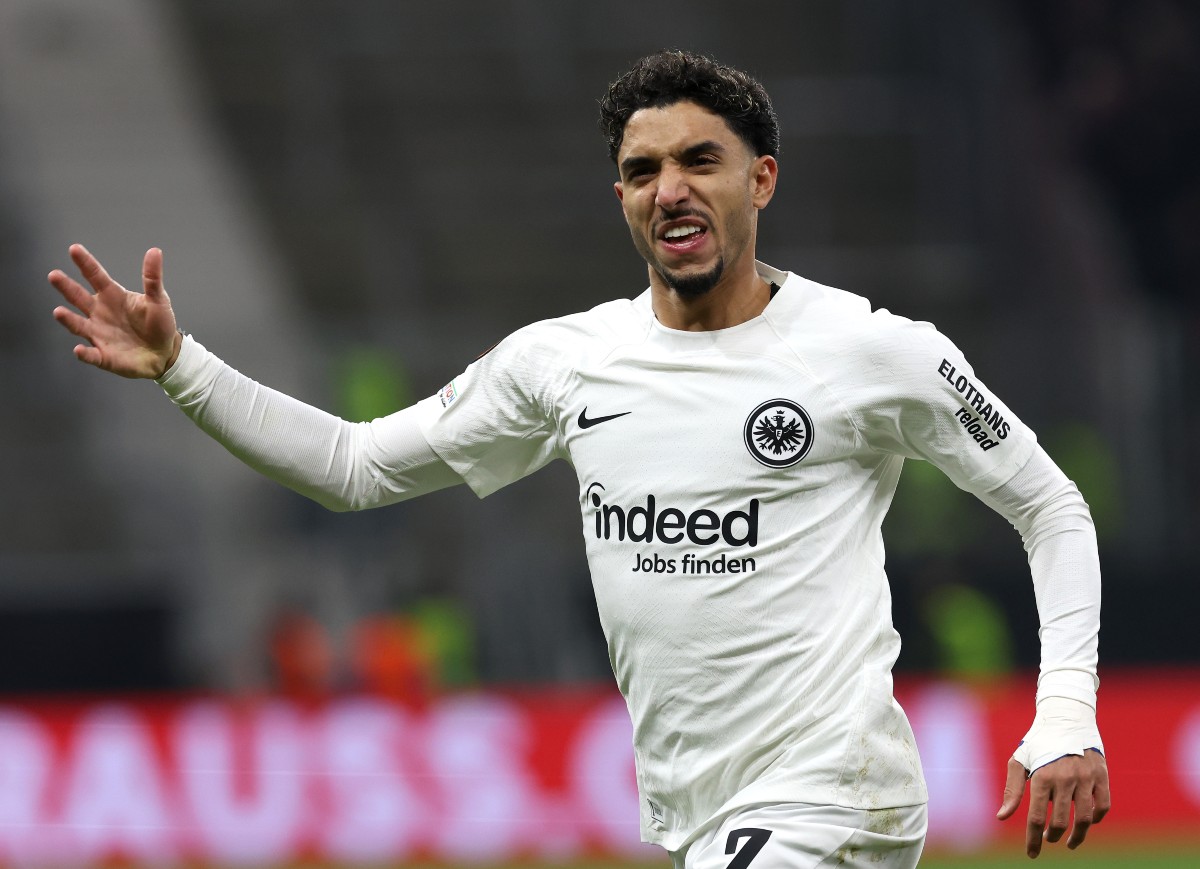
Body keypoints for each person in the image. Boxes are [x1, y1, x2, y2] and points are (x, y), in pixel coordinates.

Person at [48, 50, 1108, 868]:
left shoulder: (873, 349)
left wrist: (1063, 708)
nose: (670, 189)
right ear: (621, 199)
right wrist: (185, 367)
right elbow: (354, 464)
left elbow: (1050, 506)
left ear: (762, 180)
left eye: (702, 160)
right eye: (642, 171)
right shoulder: (566, 362)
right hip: (703, 807)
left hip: (827, 796)